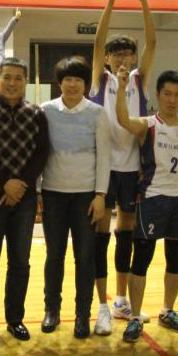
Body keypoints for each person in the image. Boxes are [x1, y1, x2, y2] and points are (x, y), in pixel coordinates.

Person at [89, 0, 156, 333]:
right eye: (116, 53)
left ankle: (120, 299)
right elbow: (97, 41)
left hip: (133, 168)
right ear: (108, 58)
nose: (122, 58)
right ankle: (101, 305)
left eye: (127, 53)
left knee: (124, 235)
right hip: (102, 169)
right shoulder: (100, 81)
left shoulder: (139, 80)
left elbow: (152, 42)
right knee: (100, 234)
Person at [115, 67, 178, 343]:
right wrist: (122, 88)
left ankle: (168, 311)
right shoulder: (148, 125)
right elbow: (123, 119)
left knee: (175, 259)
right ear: (158, 95)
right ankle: (135, 317)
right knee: (141, 260)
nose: (172, 99)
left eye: (177, 94)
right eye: (167, 94)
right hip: (151, 200)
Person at [0, 57, 49, 343]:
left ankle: (15, 319)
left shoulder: (36, 113)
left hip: (24, 200)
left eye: (18, 78)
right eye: (7, 77)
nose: (12, 83)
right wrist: (4, 183)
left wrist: (20, 185)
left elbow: (41, 153)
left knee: (20, 262)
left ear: (25, 81)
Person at [40, 57, 110, 338]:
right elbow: (39, 153)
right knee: (54, 256)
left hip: (86, 197)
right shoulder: (45, 111)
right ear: (60, 83)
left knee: (85, 257)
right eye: (67, 79)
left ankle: (83, 315)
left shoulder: (97, 113)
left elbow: (104, 156)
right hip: (53, 194)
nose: (72, 84)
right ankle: (52, 310)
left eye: (78, 80)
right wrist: (38, 191)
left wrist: (100, 194)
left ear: (85, 84)